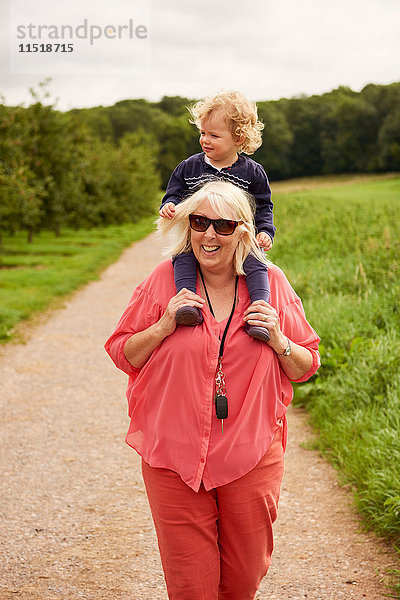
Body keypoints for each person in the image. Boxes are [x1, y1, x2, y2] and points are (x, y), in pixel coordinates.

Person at [105, 180, 320, 600]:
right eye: (200, 222)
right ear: (187, 225)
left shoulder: (271, 284)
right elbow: (123, 352)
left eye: (223, 225)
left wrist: (279, 339)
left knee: (241, 581)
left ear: (243, 230)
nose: (208, 235)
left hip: (250, 454)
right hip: (173, 456)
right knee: (191, 587)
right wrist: (164, 324)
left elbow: (306, 365)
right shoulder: (164, 280)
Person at [159, 90, 275, 343]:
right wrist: (169, 205)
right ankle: (187, 303)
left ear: (238, 138)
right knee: (183, 256)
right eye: (202, 133)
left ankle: (259, 314)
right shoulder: (189, 167)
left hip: (239, 238)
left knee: (256, 264)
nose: (205, 140)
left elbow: (264, 206)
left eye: (214, 135)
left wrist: (265, 231)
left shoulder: (253, 172)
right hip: (197, 235)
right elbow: (174, 193)